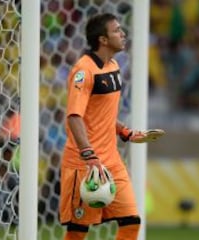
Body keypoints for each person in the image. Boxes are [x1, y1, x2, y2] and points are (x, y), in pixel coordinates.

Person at [60, 13, 160, 240]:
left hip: (112, 161)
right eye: (116, 30)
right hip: (84, 163)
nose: (122, 33)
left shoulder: (113, 65)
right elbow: (74, 117)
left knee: (132, 222)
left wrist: (126, 132)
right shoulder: (84, 71)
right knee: (77, 232)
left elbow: (100, 116)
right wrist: (89, 155)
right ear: (103, 40)